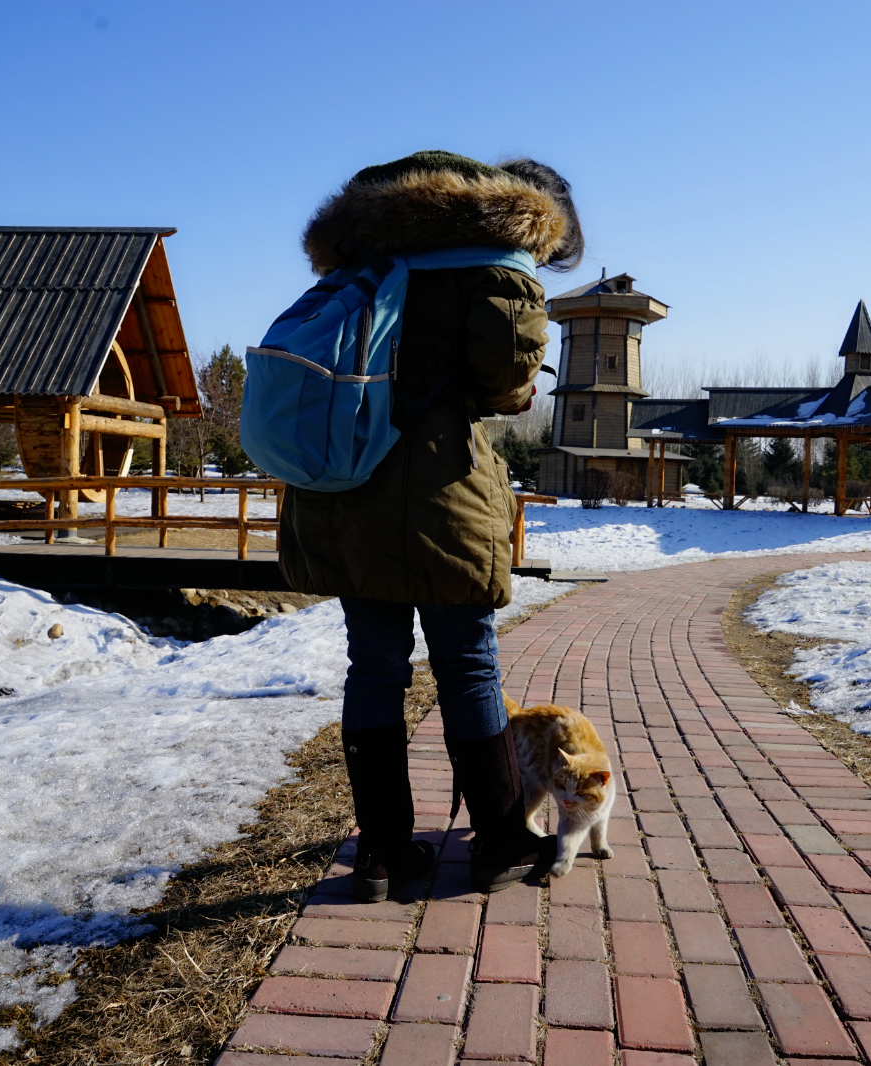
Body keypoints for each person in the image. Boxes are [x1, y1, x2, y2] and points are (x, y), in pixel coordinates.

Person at [277, 150, 584, 898]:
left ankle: (382, 854)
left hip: (349, 487)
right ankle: (501, 843)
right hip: (446, 486)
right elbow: (507, 376)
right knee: (468, 666)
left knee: (373, 667)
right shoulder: (497, 264)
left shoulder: (359, 257)